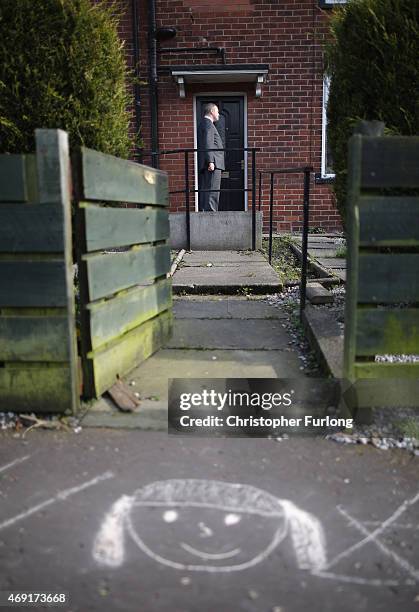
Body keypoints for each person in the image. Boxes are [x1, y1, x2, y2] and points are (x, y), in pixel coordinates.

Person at [197, 103, 225, 211]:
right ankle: (211, 214)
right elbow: (208, 143)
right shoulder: (208, 124)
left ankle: (206, 212)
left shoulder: (203, 123)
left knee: (208, 189)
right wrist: (211, 161)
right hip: (213, 163)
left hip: (210, 162)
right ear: (212, 112)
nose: (218, 114)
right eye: (217, 112)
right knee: (212, 190)